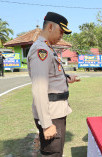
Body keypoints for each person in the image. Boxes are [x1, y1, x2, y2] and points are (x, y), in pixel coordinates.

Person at [27, 12, 80, 157]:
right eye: (61, 32)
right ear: (50, 26)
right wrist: (46, 124)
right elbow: (39, 88)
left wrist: (68, 78)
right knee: (53, 154)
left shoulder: (48, 48)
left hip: (56, 111)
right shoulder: (41, 50)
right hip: (51, 115)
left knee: (56, 152)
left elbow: (51, 77)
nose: (61, 36)